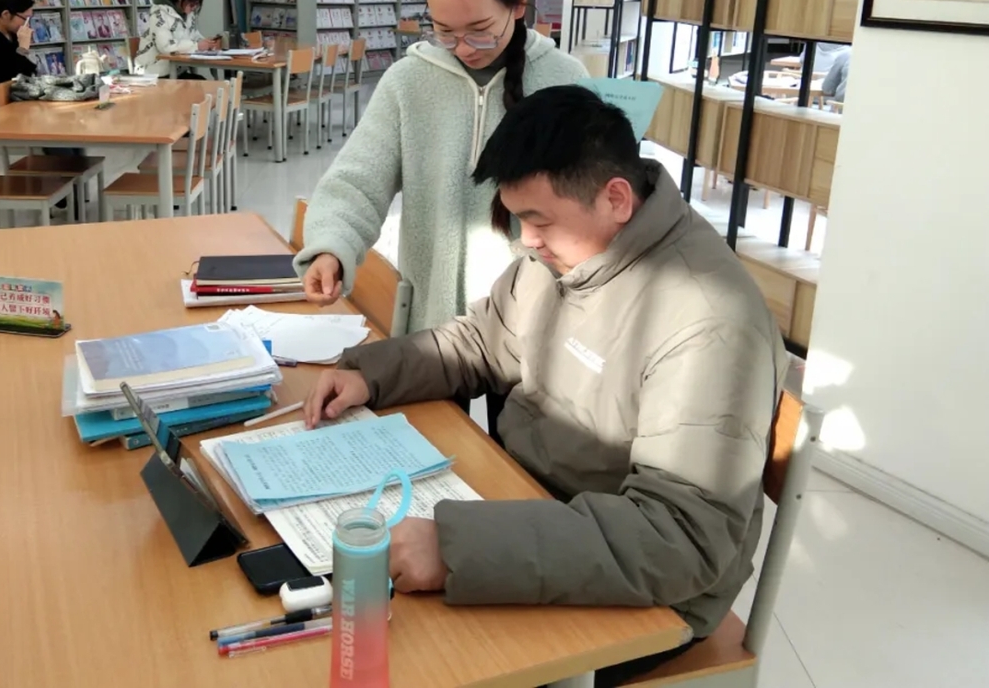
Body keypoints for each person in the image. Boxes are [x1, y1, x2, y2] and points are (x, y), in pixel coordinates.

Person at [304, 86, 786, 688]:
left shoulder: (711, 324)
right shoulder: (569, 251)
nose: (526, 240)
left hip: (645, 590)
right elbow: (482, 340)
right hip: (534, 513)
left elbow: (678, 539)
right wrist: (370, 374)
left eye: (538, 220)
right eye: (519, 218)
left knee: (399, 661)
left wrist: (455, 548)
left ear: (616, 198)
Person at [293, 0, 587, 437]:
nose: (463, 47)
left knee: (520, 463)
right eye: (443, 31)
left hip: (531, 325)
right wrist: (333, 247)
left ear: (519, 4)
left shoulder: (565, 80)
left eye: (480, 29)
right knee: (430, 450)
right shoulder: (409, 81)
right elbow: (359, 178)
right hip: (433, 324)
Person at [132, 0, 219, 78]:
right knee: (199, 84)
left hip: (176, 71)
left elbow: (194, 35)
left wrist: (207, 43)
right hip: (154, 72)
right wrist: (197, 46)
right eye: (192, 4)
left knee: (202, 82)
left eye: (196, 5)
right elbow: (166, 47)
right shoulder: (159, 15)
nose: (194, 8)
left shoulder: (188, 15)